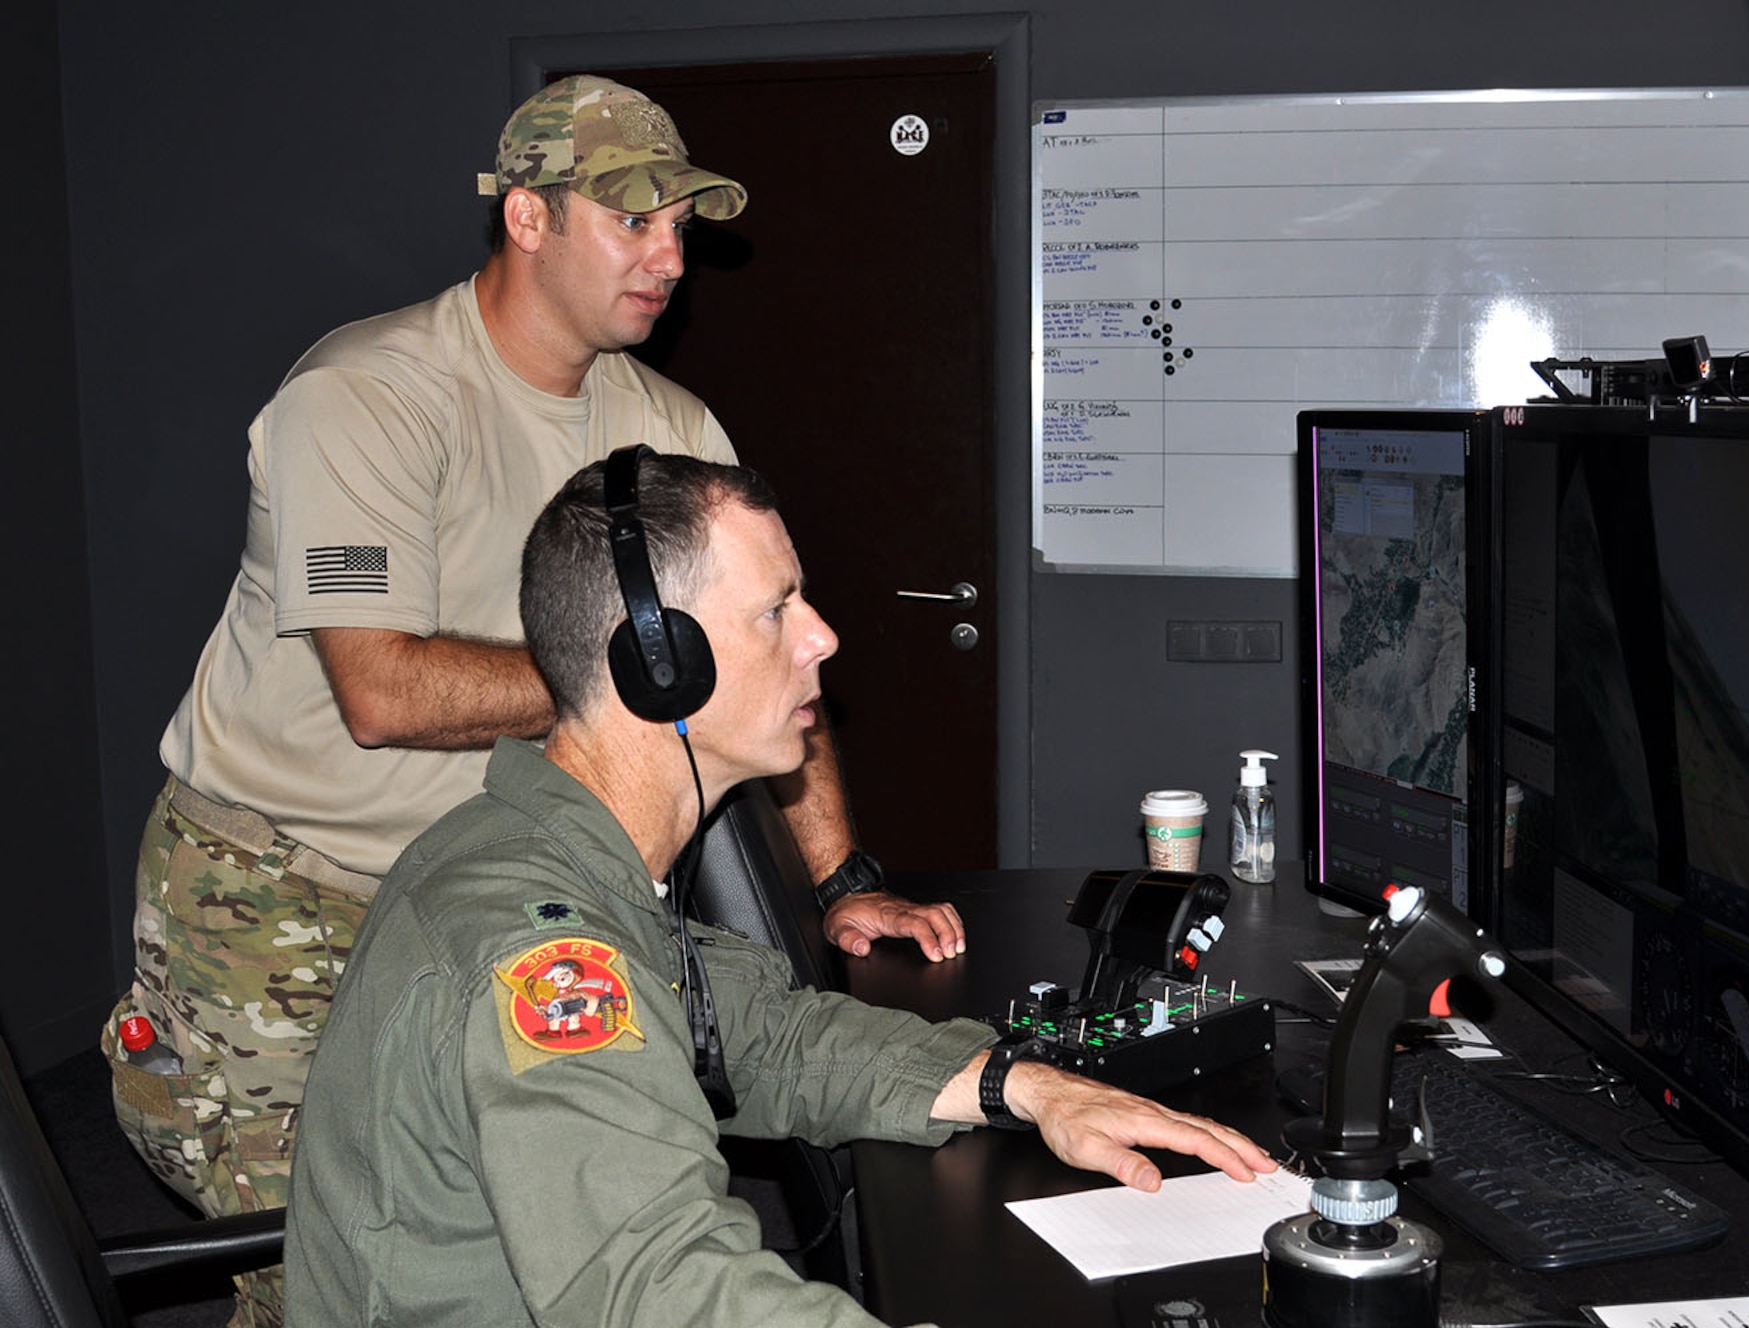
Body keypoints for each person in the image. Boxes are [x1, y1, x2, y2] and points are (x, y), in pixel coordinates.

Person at [106, 76, 961, 1328]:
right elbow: (380, 687)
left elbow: (767, 642)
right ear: (527, 217)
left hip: (493, 888)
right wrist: (644, 663)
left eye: (684, 227)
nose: (671, 258)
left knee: (530, 1237)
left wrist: (838, 879)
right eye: (634, 221)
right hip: (284, 897)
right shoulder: (366, 397)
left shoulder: (664, 424)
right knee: (328, 1263)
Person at [283, 450, 1279, 1325]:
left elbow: (757, 1037)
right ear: (657, 666)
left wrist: (1018, 1080)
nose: (822, 636)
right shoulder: (540, 949)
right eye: (776, 609)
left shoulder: (561, 857)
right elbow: (656, 1289)